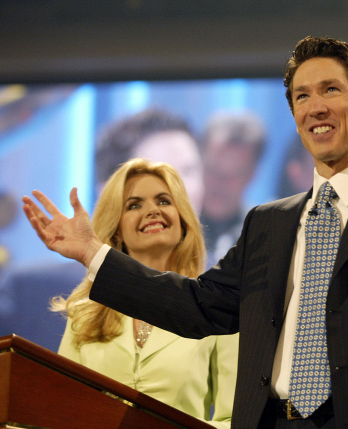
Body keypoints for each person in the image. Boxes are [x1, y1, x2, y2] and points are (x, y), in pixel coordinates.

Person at [22, 36, 348, 428]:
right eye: (301, 96)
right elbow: (198, 306)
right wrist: (93, 253)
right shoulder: (268, 222)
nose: (314, 106)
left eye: (330, 90)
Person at [0, 108, 205, 352]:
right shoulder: (32, 292)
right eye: (156, 176)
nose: (179, 190)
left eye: (188, 171)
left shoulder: (230, 292)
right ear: (109, 191)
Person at [52, 158, 238, 427]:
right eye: (134, 205)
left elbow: (234, 419)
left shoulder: (216, 308)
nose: (152, 211)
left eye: (164, 201)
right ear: (117, 231)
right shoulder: (83, 315)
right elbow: (60, 411)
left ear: (183, 222)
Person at [199, 110, 265, 267]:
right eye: (213, 169)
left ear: (252, 174)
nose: (220, 182)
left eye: (235, 173)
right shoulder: (170, 227)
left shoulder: (267, 237)